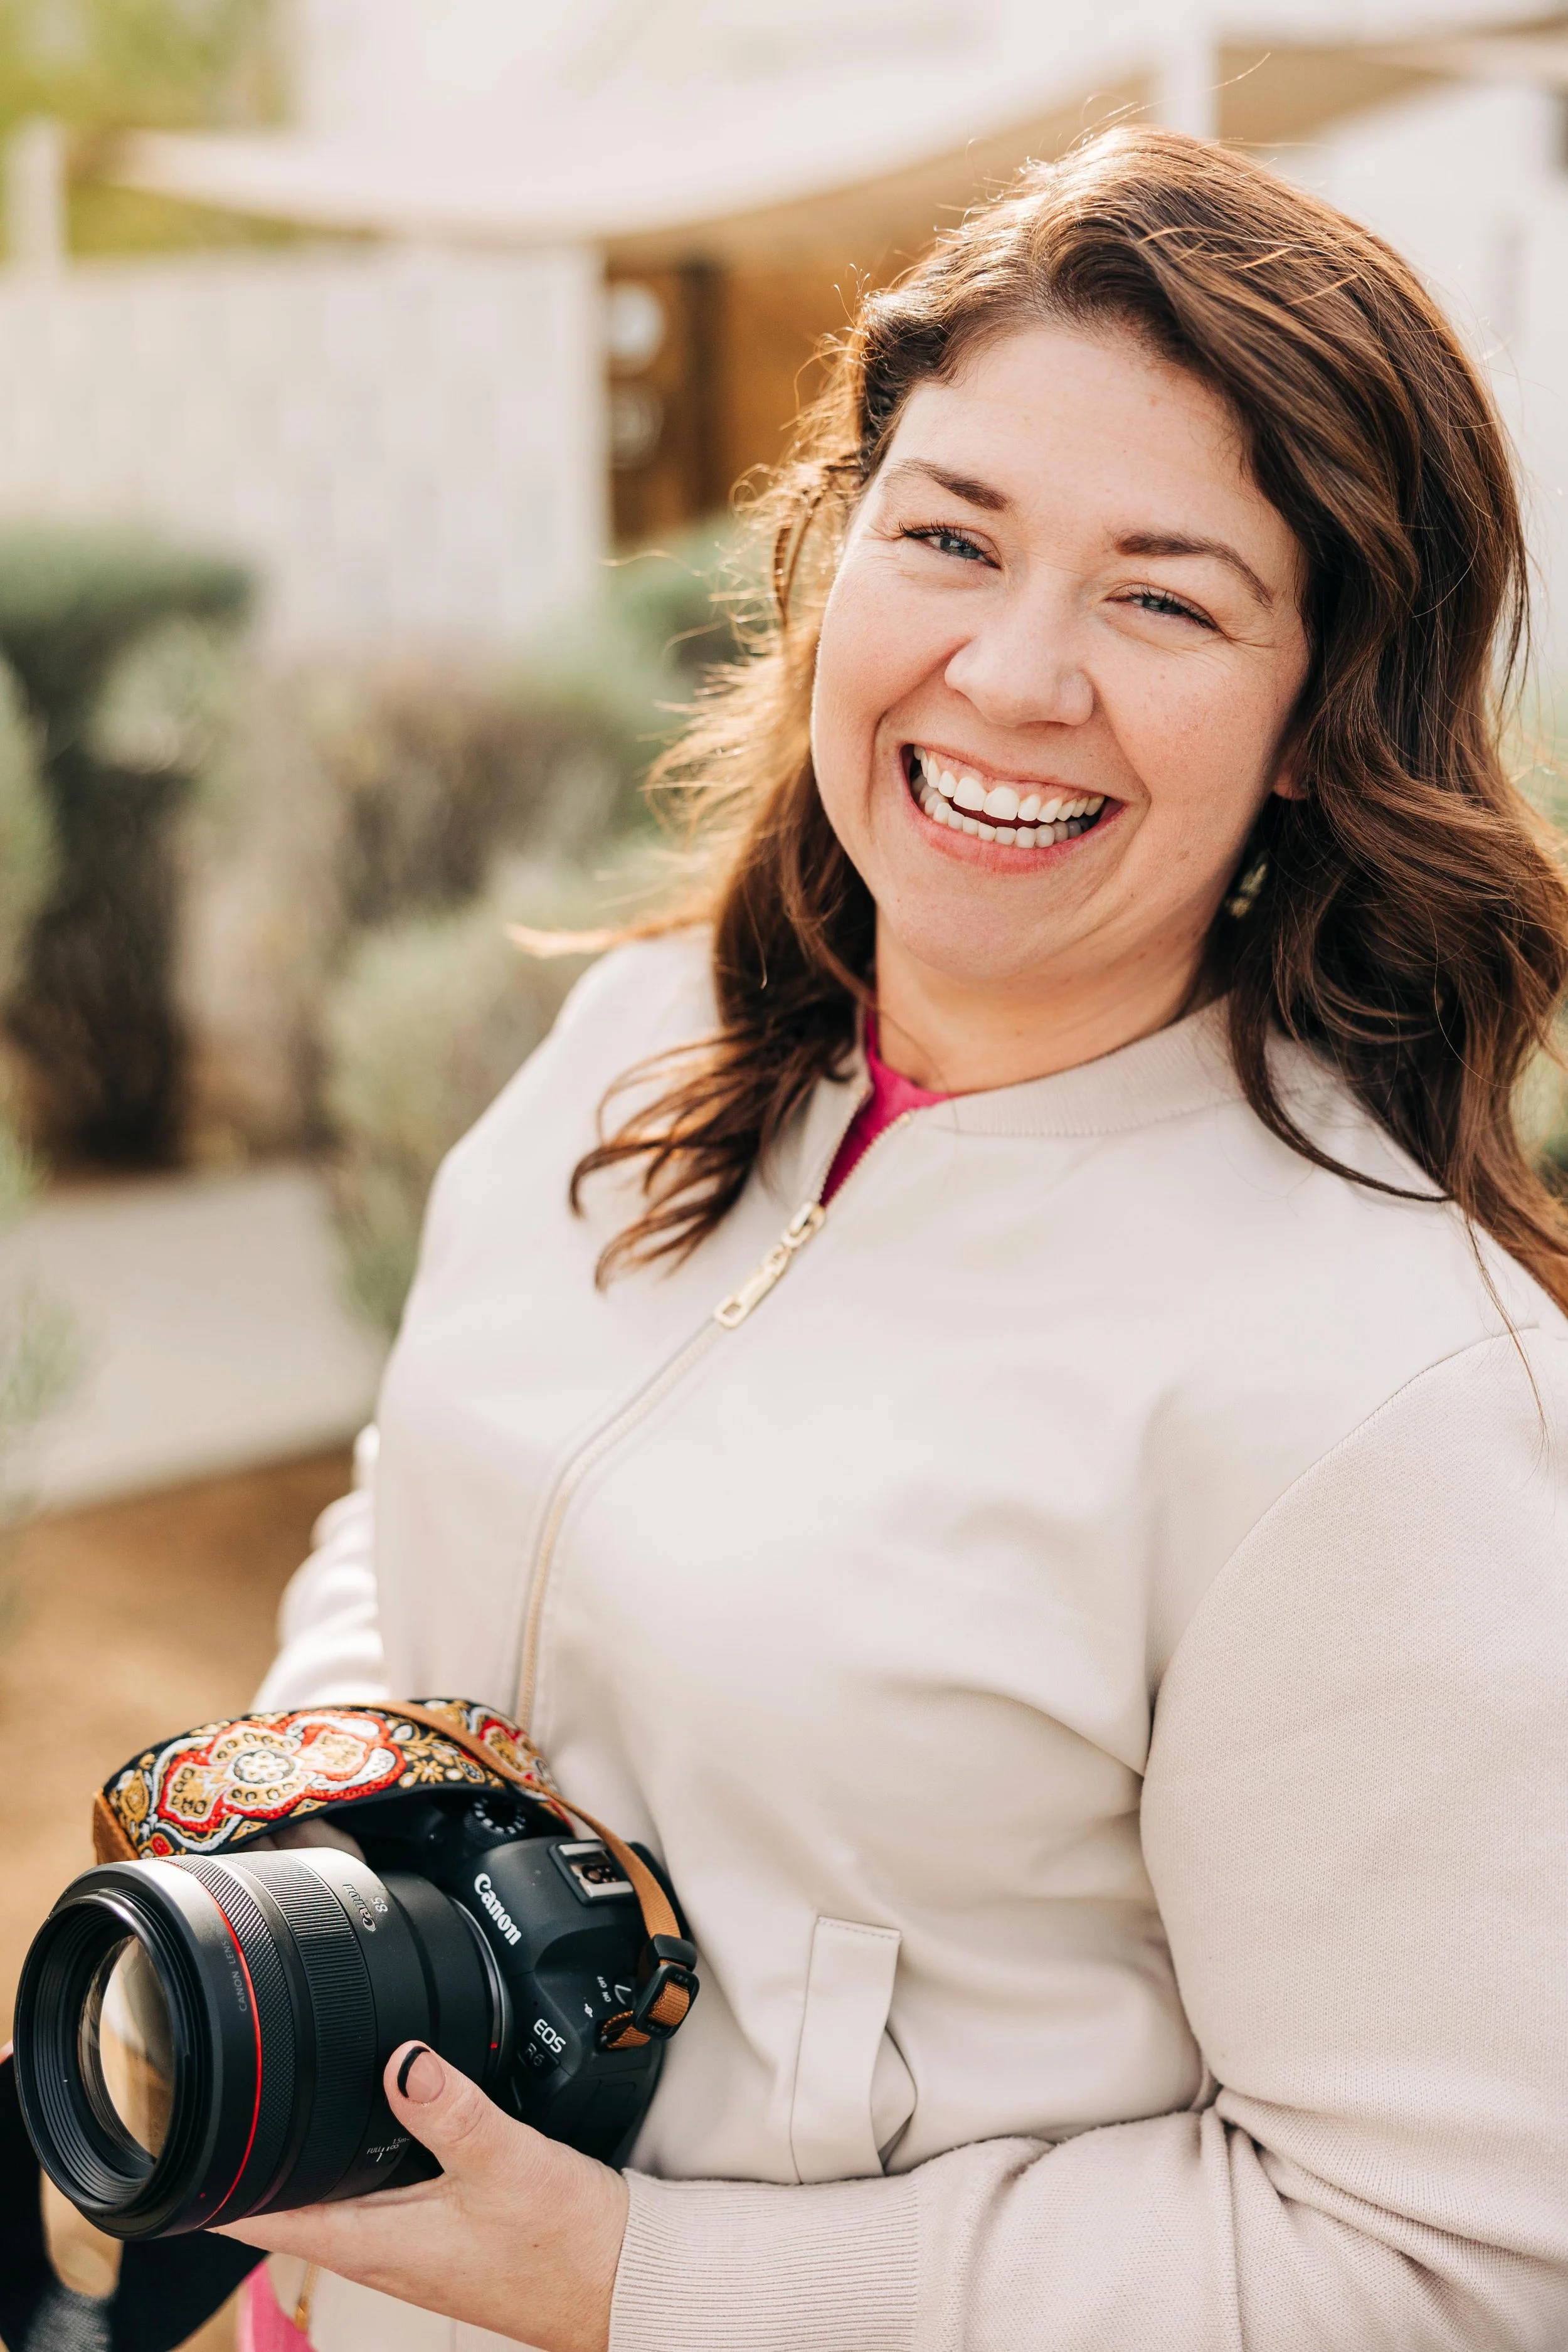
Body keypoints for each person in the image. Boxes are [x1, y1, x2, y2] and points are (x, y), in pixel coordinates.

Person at [228, 127, 1568, 2351]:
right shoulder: (632, 1037)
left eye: (1163, 594)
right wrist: (302, 1898)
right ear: (833, 558)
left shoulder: (1376, 1388)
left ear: (1324, 724)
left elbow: (1445, 2261)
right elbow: (421, 1497)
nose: (1014, 673)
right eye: (947, 537)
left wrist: (643, 2284)